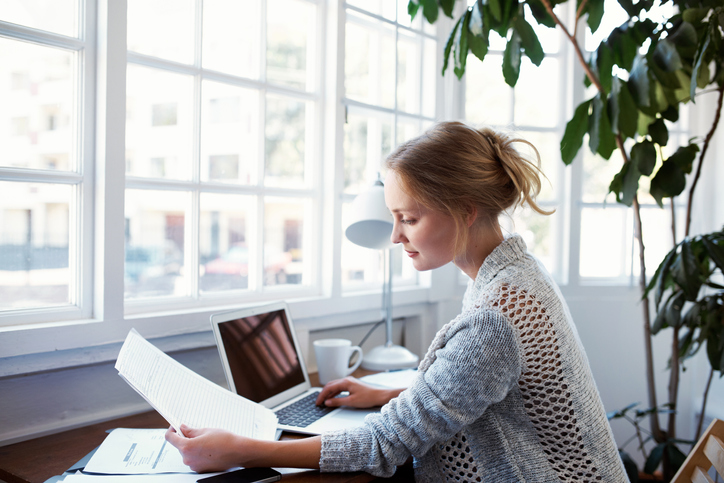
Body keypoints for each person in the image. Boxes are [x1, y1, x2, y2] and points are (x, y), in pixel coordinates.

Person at [166, 121, 628, 482]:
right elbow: (483, 391)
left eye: (408, 217)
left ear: (465, 209)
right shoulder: (517, 274)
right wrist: (389, 394)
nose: (395, 236)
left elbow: (383, 446)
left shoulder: (495, 318)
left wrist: (242, 449)